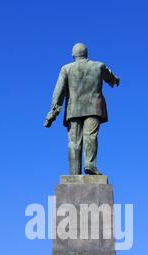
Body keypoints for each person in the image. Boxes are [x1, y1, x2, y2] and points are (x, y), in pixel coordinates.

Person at [44, 43, 120, 175]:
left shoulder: (66, 69)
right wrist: (114, 80)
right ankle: (90, 164)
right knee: (90, 136)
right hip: (94, 108)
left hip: (73, 110)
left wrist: (52, 114)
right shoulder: (98, 66)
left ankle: (74, 172)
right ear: (86, 54)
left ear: (73, 55)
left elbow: (58, 92)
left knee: (74, 142)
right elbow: (111, 77)